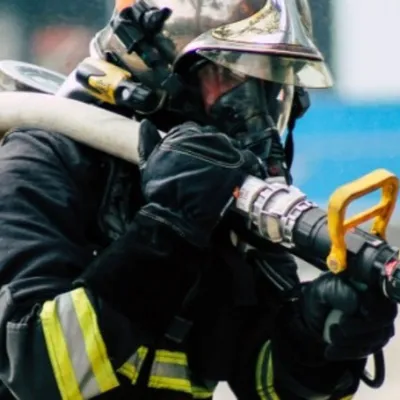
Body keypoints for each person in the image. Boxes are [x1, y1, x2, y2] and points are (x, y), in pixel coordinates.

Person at [0, 0, 396, 399]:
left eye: (270, 83)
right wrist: (167, 229)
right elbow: (36, 371)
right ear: (158, 65)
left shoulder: (218, 197)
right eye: (231, 73)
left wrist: (317, 341)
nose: (254, 108)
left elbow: (263, 379)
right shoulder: (41, 162)